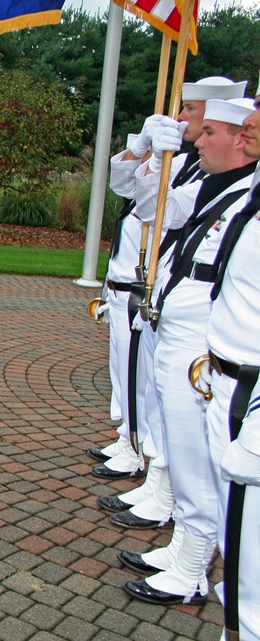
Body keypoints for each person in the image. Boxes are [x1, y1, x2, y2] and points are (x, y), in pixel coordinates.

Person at [119, 99, 257, 609]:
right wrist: (157, 159)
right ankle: (183, 552)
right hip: (184, 332)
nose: (198, 140)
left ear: (240, 141)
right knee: (182, 448)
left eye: (211, 132)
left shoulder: (247, 194)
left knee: (198, 462)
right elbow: (154, 210)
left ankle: (192, 569)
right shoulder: (211, 186)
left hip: (207, 346)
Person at [95, 76, 247, 485]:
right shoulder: (187, 165)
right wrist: (145, 148)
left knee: (161, 401)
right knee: (139, 383)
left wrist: (159, 162)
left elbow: (166, 214)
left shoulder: (216, 177)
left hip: (179, 307)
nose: (180, 119)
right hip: (152, 291)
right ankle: (135, 445)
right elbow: (125, 186)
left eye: (190, 111)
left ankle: (146, 460)